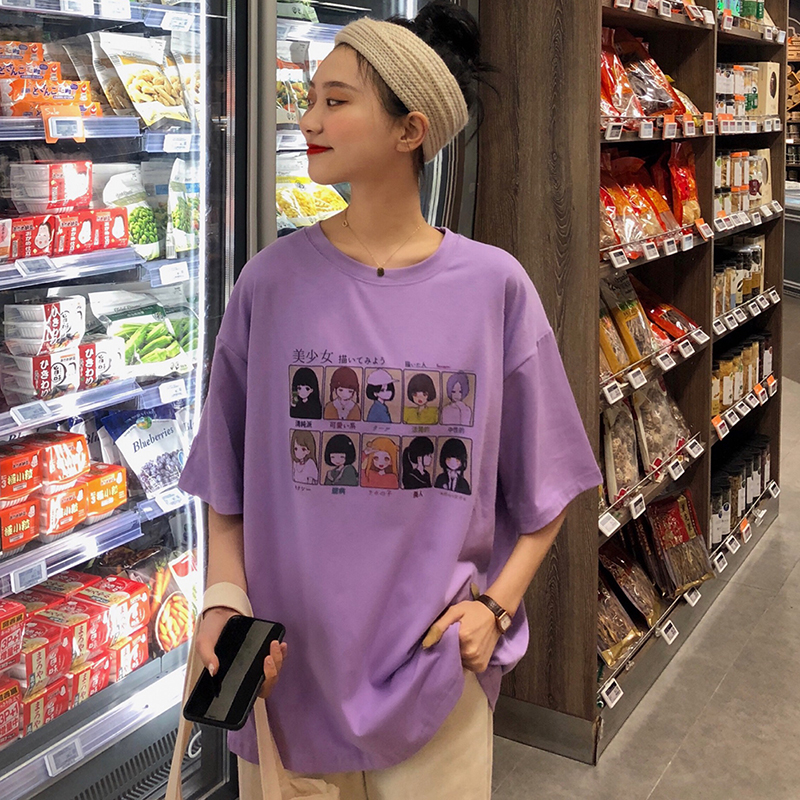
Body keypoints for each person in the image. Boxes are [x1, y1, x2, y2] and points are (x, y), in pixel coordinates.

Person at [180, 4, 601, 798]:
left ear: (411, 131)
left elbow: (552, 484)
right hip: (284, 685)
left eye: (336, 101)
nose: (308, 119)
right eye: (311, 98)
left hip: (436, 683)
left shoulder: (494, 289)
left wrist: (496, 609)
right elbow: (224, 486)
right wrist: (221, 603)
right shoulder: (269, 284)